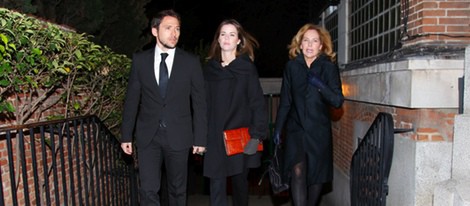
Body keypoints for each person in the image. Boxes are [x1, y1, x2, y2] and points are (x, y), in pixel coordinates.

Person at [120, 9, 207, 206]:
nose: (174, 33)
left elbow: (200, 104)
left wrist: (200, 138)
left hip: (179, 135)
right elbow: (132, 99)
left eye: (177, 29)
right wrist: (126, 135)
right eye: (168, 28)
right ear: (154, 30)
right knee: (148, 190)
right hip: (148, 136)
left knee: (177, 190)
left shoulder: (190, 62)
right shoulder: (140, 61)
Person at [273, 23, 344, 206]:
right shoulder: (292, 67)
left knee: (316, 179)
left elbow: (337, 100)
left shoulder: (328, 67)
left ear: (321, 45)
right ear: (300, 44)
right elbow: (286, 102)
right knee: (297, 171)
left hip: (318, 132)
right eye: (306, 40)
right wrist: (278, 129)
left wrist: (320, 84)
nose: (310, 45)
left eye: (314, 41)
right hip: (296, 130)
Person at [202, 19, 268, 206]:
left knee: (239, 186)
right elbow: (203, 106)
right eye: (223, 34)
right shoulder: (209, 70)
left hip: (239, 137)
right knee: (216, 187)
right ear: (218, 39)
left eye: (232, 34)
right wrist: (200, 136)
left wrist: (256, 136)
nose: (227, 38)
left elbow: (257, 103)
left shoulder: (246, 68)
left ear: (239, 40)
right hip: (214, 137)